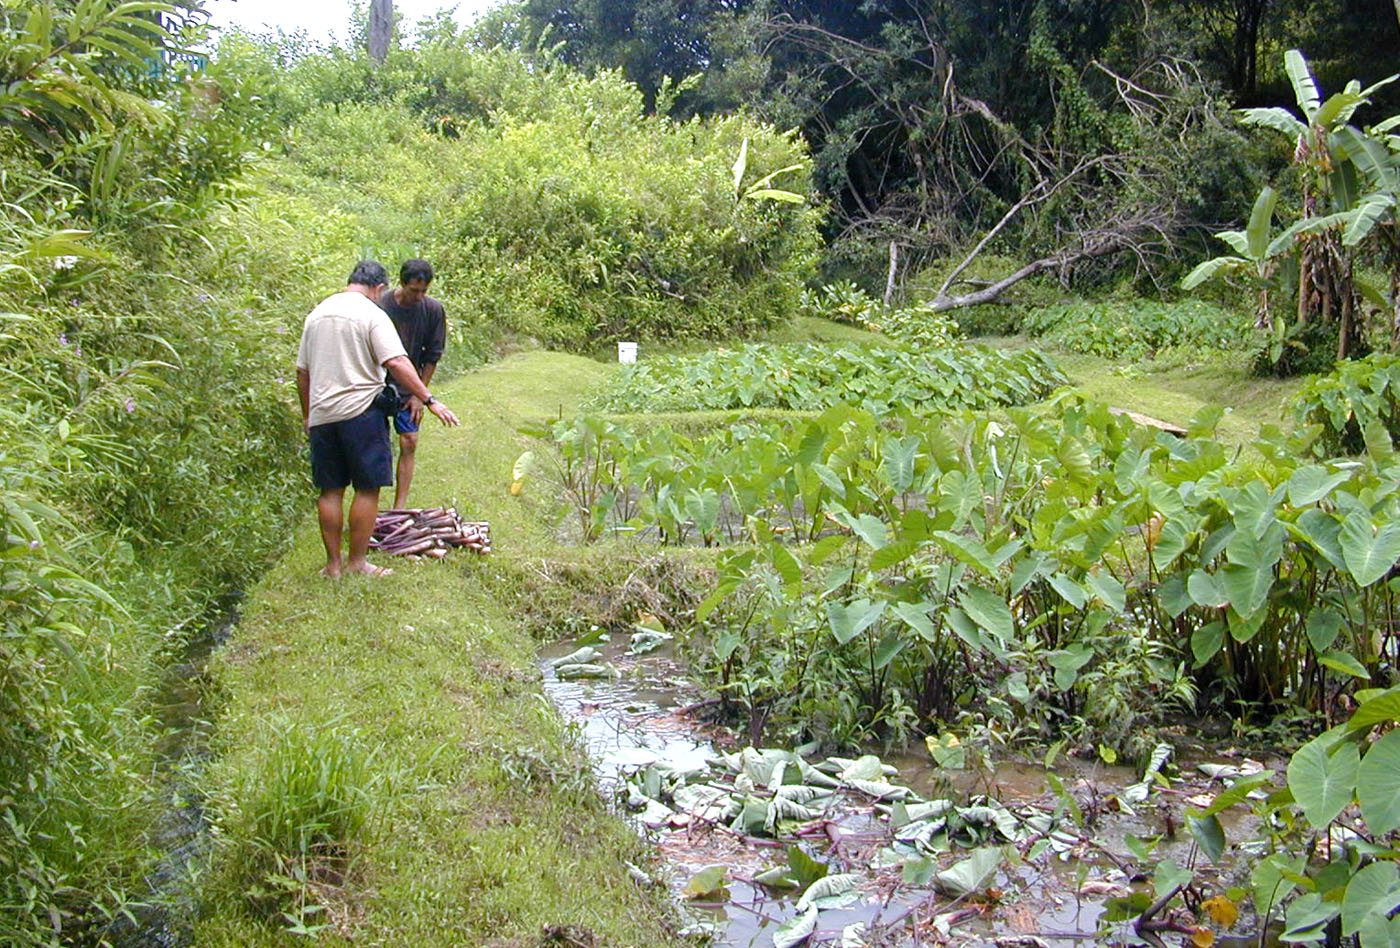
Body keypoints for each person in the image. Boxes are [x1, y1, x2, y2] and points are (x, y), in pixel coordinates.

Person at [296, 260, 460, 578]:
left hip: (322, 415)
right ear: (379, 288)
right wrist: (429, 399)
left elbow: (302, 373)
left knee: (330, 491)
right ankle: (357, 564)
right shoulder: (372, 313)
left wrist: (308, 416)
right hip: (360, 413)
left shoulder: (316, 314)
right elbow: (396, 361)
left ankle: (332, 567)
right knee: (367, 489)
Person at [378, 258, 447, 510]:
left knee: (409, 441)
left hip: (410, 386)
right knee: (376, 444)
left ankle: (400, 507)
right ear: (402, 284)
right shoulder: (380, 305)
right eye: (413, 290)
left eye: (423, 291)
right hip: (376, 383)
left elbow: (433, 355)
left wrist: (420, 394)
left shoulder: (433, 310)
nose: (418, 296)